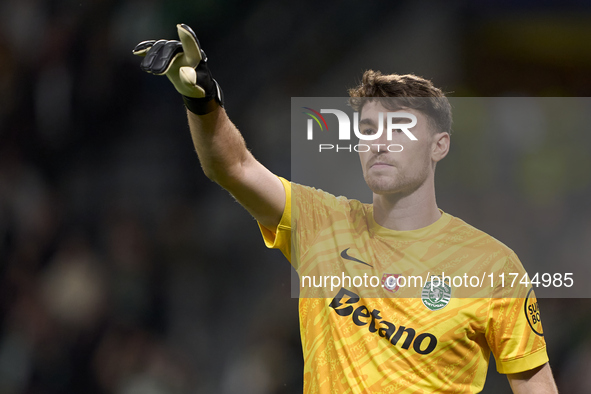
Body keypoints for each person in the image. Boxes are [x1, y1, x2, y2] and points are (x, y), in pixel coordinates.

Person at [134, 24, 559, 393]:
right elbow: (233, 166)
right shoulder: (318, 220)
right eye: (370, 128)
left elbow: (536, 387)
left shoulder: (492, 266)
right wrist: (204, 103)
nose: (380, 141)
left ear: (439, 146)